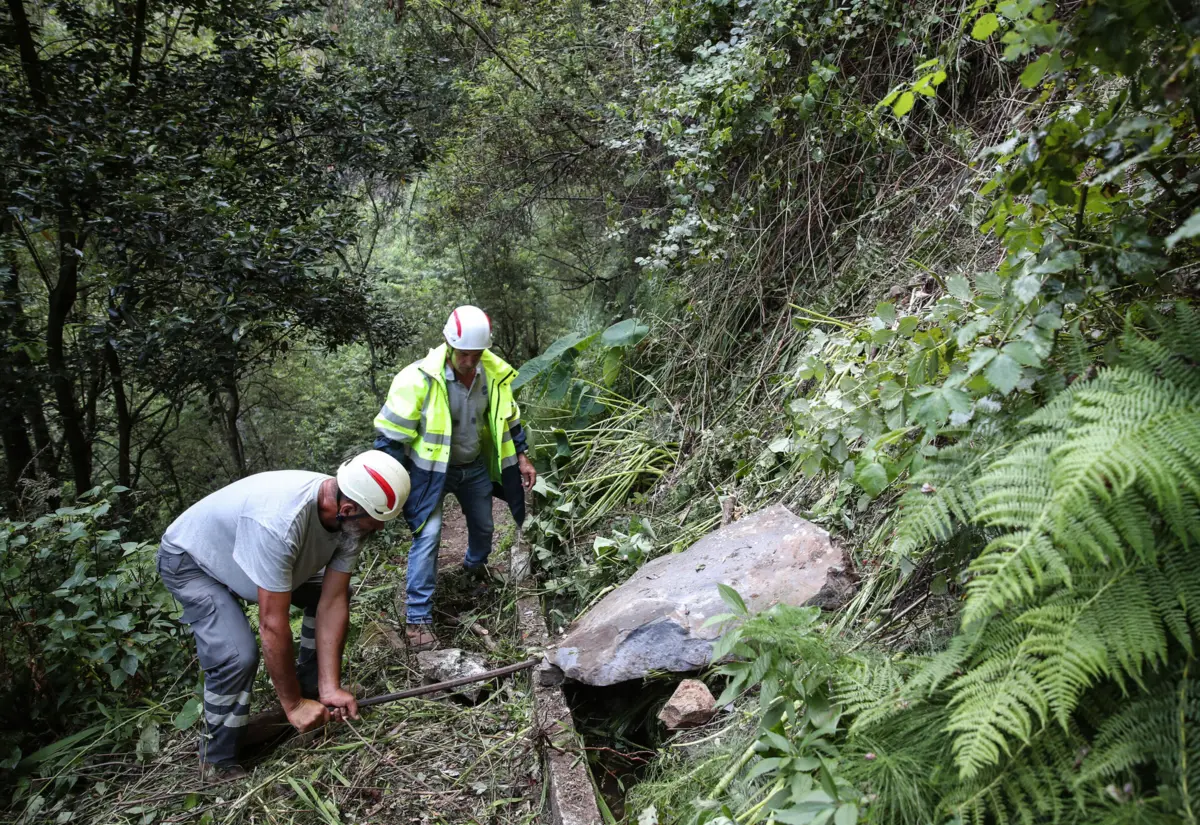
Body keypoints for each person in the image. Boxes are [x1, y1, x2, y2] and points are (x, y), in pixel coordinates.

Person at [156, 450, 410, 780]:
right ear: (347, 510)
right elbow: (272, 625)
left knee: (328, 593)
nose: (371, 533)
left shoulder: (350, 517)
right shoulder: (281, 522)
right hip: (193, 561)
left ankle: (314, 692)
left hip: (245, 560)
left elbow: (332, 600)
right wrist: (291, 706)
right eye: (371, 526)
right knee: (236, 655)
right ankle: (216, 759)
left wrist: (329, 686)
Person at [373, 305, 536, 650]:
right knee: (428, 536)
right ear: (449, 345)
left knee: (485, 527)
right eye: (464, 354)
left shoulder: (492, 374)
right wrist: (391, 486)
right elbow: (389, 438)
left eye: (477, 354)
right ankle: (418, 620)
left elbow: (510, 418)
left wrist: (522, 456)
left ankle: (473, 569)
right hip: (430, 473)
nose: (470, 361)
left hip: (475, 466)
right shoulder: (416, 379)